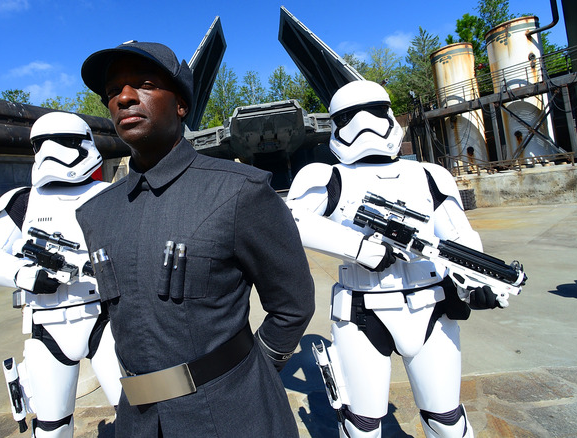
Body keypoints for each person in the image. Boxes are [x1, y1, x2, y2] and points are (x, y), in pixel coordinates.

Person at [76, 40, 316, 437]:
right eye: (113, 91)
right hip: (137, 419)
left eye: (145, 83)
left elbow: (293, 304)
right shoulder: (96, 214)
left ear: (182, 105)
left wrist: (251, 374)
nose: (124, 98)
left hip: (231, 413)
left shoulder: (240, 192)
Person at [286, 80, 511, 438]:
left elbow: (458, 235)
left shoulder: (429, 175)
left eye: (375, 112)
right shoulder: (326, 176)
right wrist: (360, 249)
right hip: (361, 311)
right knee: (362, 427)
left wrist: (479, 278)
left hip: (431, 308)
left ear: (390, 115)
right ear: (336, 125)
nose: (365, 124)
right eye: (350, 116)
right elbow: (289, 221)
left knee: (447, 421)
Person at [0, 111, 123, 438]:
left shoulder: (110, 195)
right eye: (41, 143)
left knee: (137, 414)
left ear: (84, 145)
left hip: (103, 318)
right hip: (46, 325)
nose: (52, 151)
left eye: (63, 142)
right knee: (51, 427)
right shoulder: (21, 202)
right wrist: (27, 276)